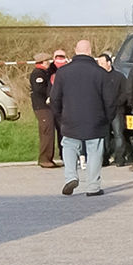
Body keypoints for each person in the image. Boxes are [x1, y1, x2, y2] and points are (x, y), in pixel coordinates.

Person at [48, 39, 117, 197]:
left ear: (75, 50)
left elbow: (55, 98)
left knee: (69, 146)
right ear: (90, 51)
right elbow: (110, 100)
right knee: (94, 152)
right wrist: (108, 118)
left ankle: (71, 176)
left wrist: (59, 116)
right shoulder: (101, 73)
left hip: (69, 117)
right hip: (96, 120)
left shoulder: (63, 72)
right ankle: (93, 187)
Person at [97, 52, 132, 167]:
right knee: (104, 135)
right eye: (99, 63)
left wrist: (118, 103)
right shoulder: (97, 78)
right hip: (102, 110)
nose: (100, 65)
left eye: (102, 63)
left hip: (117, 110)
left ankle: (120, 158)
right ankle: (104, 158)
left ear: (109, 63)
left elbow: (125, 92)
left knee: (118, 134)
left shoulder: (119, 77)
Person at [28, 53, 57, 168]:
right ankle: (45, 159)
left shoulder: (44, 72)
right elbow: (39, 89)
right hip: (42, 106)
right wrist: (50, 94)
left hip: (45, 106)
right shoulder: (38, 74)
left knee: (48, 131)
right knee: (46, 132)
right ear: (43, 62)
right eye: (47, 61)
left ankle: (48, 157)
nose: (49, 63)